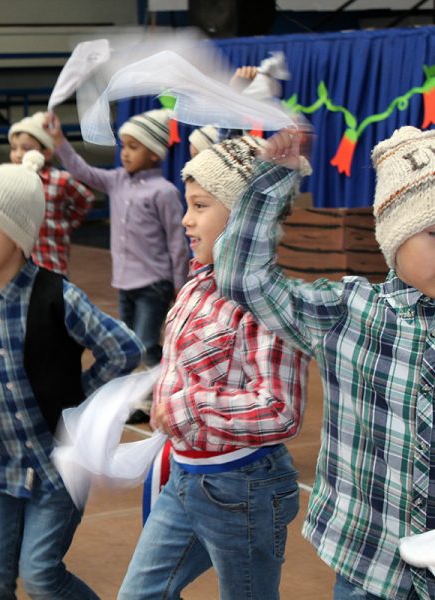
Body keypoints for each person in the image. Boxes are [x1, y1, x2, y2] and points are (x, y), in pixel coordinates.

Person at [216, 125, 435, 599]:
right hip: (370, 565)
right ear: (395, 234)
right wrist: (273, 180)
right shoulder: (348, 311)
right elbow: (243, 280)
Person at [0, 149, 143, 600]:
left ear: (17, 233)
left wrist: (78, 401)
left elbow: (124, 349)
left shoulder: (58, 297)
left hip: (58, 465)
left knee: (40, 574)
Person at [117, 135, 310, 600]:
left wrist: (189, 406)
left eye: (200, 205)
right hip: (186, 476)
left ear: (244, 218)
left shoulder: (268, 303)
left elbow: (280, 409)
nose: (186, 218)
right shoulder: (198, 281)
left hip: (242, 488)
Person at [45, 109, 188, 378]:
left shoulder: (164, 191)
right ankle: (138, 396)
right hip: (124, 282)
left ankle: (162, 389)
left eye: (134, 147)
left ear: (155, 153)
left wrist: (180, 285)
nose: (125, 153)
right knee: (131, 345)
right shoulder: (116, 180)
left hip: (154, 283)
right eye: (124, 146)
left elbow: (176, 242)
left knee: (146, 344)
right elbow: (80, 170)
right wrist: (59, 140)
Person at [0, 111, 95, 278]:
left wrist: (66, 223)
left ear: (46, 152)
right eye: (14, 148)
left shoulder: (60, 180)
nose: (18, 154)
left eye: (26, 148)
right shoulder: (7, 176)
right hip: (19, 268)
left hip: (51, 265)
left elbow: (86, 199)